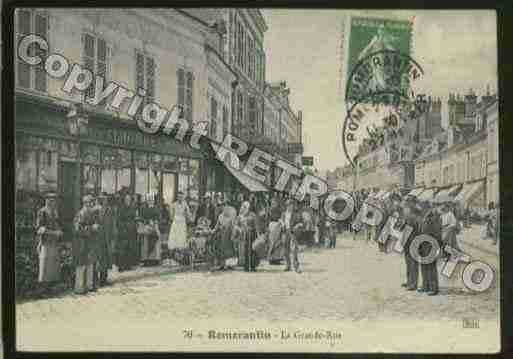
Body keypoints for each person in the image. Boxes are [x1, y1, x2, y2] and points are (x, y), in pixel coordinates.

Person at [35, 192, 63, 292]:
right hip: (45, 242)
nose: (52, 202)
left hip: (54, 242)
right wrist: (54, 233)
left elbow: (57, 224)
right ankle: (42, 288)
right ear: (46, 200)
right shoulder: (42, 212)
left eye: (53, 200)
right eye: (50, 200)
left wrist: (59, 231)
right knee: (45, 264)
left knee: (53, 264)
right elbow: (39, 229)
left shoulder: (55, 212)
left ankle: (50, 287)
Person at [73, 195, 100, 294]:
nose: (92, 204)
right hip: (81, 242)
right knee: (81, 264)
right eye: (90, 202)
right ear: (85, 203)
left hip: (89, 242)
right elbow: (77, 229)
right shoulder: (81, 213)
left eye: (92, 202)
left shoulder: (91, 213)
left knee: (90, 263)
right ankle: (79, 287)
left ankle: (89, 285)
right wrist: (91, 228)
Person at [418, 202, 441, 296]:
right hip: (422, 244)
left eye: (423, 207)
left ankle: (433, 288)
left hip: (431, 244)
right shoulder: (423, 218)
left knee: (431, 267)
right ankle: (425, 285)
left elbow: (437, 233)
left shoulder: (434, 218)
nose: (422, 209)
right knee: (424, 266)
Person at [96, 193, 117, 286]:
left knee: (106, 258)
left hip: (107, 237)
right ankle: (99, 279)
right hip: (99, 237)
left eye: (106, 199)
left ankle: (104, 278)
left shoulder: (110, 210)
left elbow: (113, 223)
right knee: (100, 258)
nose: (105, 201)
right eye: (103, 199)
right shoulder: (97, 210)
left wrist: (113, 235)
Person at [400, 203, 422, 291]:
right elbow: (401, 229)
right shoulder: (407, 219)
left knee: (412, 264)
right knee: (409, 264)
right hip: (408, 244)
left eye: (406, 209)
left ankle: (413, 284)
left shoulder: (414, 219)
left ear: (410, 210)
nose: (404, 211)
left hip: (414, 243)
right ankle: (409, 281)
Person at [167, 191, 192, 264]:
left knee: (182, 238)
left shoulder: (185, 205)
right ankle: (175, 256)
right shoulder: (173, 205)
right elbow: (171, 216)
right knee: (174, 238)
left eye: (181, 196)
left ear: (183, 197)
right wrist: (174, 218)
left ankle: (181, 257)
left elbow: (189, 215)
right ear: (177, 197)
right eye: (179, 196)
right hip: (176, 221)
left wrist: (188, 216)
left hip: (182, 222)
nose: (180, 198)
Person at [116, 193, 138, 271]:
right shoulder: (121, 208)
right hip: (124, 231)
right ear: (124, 200)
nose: (128, 201)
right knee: (123, 249)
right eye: (126, 199)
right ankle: (121, 266)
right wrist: (123, 228)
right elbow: (118, 220)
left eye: (129, 199)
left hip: (131, 230)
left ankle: (128, 265)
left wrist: (134, 225)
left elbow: (134, 218)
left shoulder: (132, 208)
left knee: (130, 248)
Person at [235, 201, 260, 272]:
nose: (244, 208)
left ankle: (253, 266)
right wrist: (239, 229)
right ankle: (246, 266)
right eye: (243, 206)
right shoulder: (240, 216)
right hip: (244, 235)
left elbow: (256, 225)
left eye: (246, 207)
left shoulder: (252, 215)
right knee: (245, 250)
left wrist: (258, 235)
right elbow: (236, 225)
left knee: (253, 250)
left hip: (252, 234)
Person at [211, 204, 237, 270]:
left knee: (230, 249)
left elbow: (233, 226)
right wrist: (213, 231)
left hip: (228, 235)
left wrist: (233, 235)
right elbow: (217, 226)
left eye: (224, 207)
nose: (223, 208)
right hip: (222, 235)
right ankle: (222, 265)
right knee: (222, 250)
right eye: (221, 207)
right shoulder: (220, 216)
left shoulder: (231, 216)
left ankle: (231, 265)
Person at [139, 195, 161, 266]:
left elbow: (158, 217)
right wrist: (145, 222)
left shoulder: (156, 208)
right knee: (145, 243)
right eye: (149, 200)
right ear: (147, 201)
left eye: (151, 200)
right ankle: (146, 260)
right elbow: (141, 217)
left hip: (154, 226)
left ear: (153, 201)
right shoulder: (144, 209)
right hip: (146, 226)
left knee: (155, 243)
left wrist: (155, 221)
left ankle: (154, 260)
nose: (150, 201)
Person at [281, 199, 302, 273]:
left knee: (294, 250)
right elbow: (281, 220)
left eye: (291, 205)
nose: (290, 207)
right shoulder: (283, 214)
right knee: (285, 250)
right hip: (285, 232)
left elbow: (301, 222)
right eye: (289, 205)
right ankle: (288, 265)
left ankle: (296, 267)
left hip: (293, 232)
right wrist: (282, 223)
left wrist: (297, 225)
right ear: (286, 206)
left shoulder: (296, 214)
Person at [267, 197, 284, 264]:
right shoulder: (269, 210)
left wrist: (281, 223)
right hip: (271, 225)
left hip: (278, 225)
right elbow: (267, 219)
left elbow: (281, 217)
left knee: (277, 243)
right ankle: (271, 258)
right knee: (272, 243)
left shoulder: (279, 210)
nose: (274, 204)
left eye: (275, 203)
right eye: (273, 203)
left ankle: (277, 259)